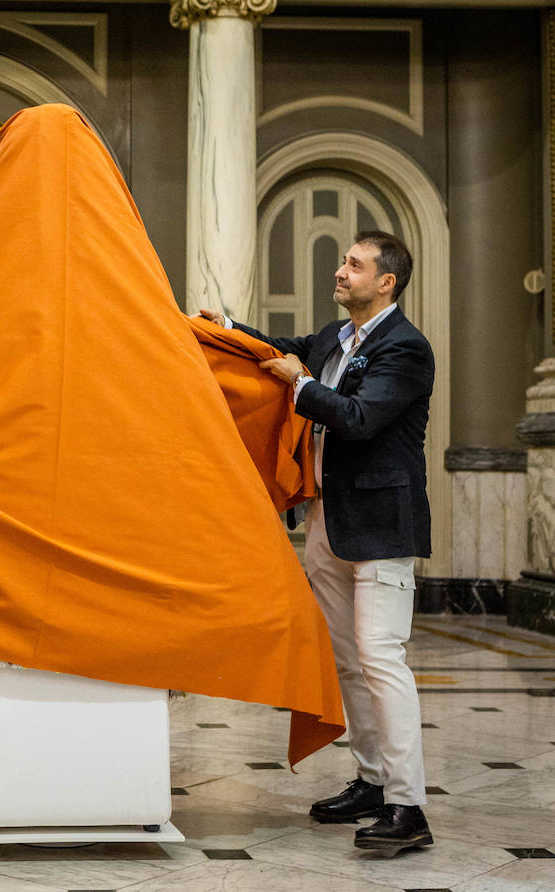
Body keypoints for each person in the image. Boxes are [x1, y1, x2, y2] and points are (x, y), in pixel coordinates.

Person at [200, 230, 434, 854]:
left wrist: (298, 388)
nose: (341, 271)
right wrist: (225, 327)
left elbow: (359, 418)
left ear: (386, 282)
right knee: (349, 660)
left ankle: (409, 807)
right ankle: (373, 781)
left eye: (354, 266)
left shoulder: (406, 349)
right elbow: (280, 349)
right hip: (329, 521)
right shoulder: (334, 337)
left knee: (383, 659)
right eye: (342, 262)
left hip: (383, 526)